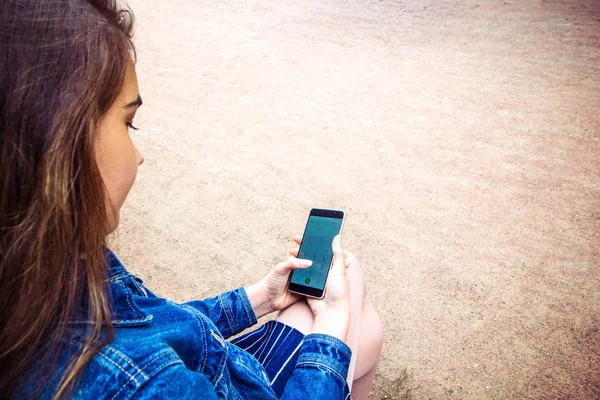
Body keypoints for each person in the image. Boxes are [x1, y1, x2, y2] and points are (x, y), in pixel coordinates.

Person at [0, 1, 383, 399]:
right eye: (127, 121)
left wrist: (260, 298)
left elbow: (160, 326)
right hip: (232, 384)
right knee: (348, 287)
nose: (139, 154)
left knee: (363, 329)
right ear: (60, 148)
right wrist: (333, 326)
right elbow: (152, 354)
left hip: (212, 366)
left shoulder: (47, 267)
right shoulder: (146, 385)